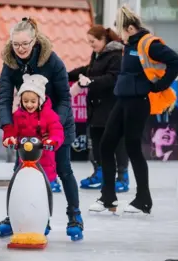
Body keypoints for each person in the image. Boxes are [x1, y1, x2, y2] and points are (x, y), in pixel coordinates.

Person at [89, 5, 178, 214]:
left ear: (130, 28)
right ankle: (108, 198)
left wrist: (160, 85)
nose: (120, 34)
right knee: (106, 145)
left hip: (138, 102)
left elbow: (177, 61)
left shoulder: (148, 43)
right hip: (121, 101)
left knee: (132, 147)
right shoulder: (128, 45)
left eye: (121, 29)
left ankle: (143, 200)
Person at [0, 17, 83, 241]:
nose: (20, 49)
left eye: (25, 44)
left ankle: (74, 215)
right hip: (26, 125)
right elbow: (4, 97)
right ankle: (13, 216)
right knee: (20, 171)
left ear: (34, 40)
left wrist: (52, 123)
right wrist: (8, 128)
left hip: (57, 123)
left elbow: (65, 98)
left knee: (63, 169)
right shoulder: (10, 63)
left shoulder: (53, 62)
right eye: (16, 44)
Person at [68, 25, 130, 192]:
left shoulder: (117, 55)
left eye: (93, 41)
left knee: (116, 142)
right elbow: (88, 71)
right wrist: (66, 75)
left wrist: (92, 82)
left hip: (112, 106)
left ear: (103, 40)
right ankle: (100, 173)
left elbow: (113, 78)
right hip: (96, 107)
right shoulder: (97, 55)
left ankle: (122, 176)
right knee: (96, 141)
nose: (91, 45)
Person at [2, 74, 64, 234]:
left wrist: (52, 141)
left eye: (33, 101)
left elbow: (57, 131)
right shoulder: (18, 116)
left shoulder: (49, 115)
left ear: (40, 100)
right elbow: (12, 132)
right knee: (21, 191)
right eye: (25, 101)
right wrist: (10, 139)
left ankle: (44, 221)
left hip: (44, 162)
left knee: (41, 194)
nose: (29, 105)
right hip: (23, 161)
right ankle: (15, 218)